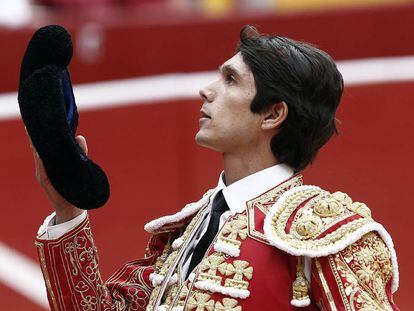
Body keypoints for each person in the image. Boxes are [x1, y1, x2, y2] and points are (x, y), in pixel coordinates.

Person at [32, 25, 399, 310]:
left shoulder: (329, 236)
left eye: (231, 80)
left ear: (273, 113)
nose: (206, 91)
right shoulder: (189, 231)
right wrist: (68, 211)